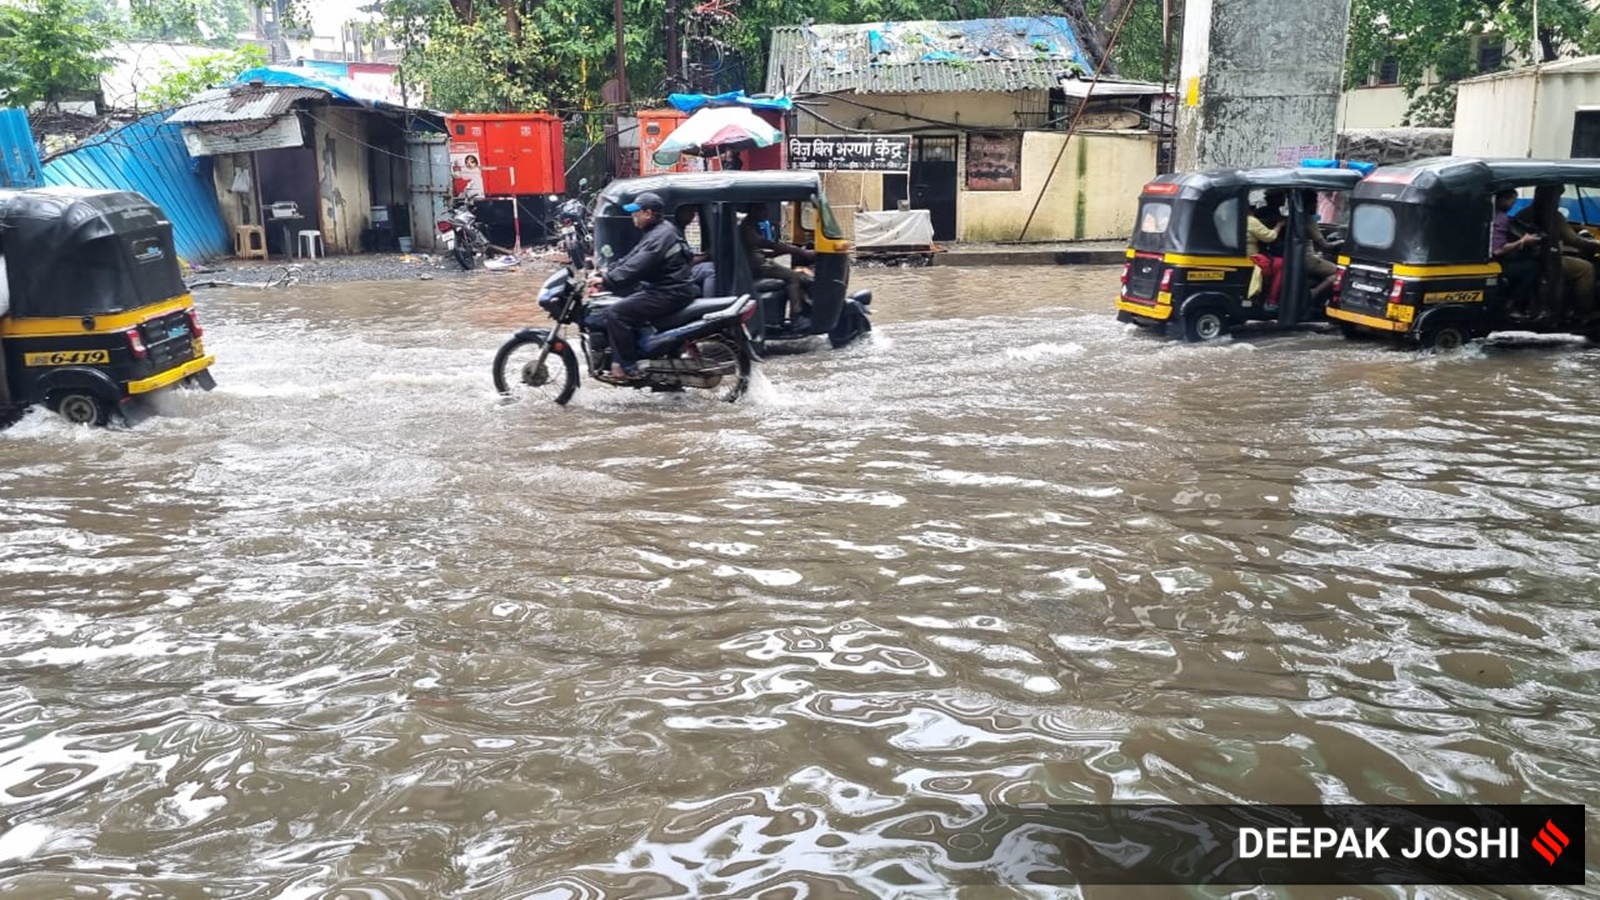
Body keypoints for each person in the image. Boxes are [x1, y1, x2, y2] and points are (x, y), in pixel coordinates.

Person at [586, 192, 698, 380]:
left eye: (636, 212)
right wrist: (605, 272)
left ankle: (628, 367)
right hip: (665, 288)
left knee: (617, 313)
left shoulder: (660, 235)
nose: (633, 216)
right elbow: (631, 258)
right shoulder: (657, 232)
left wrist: (607, 281)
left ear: (648, 213)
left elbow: (638, 265)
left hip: (669, 291)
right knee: (622, 301)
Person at [1514, 185, 1600, 321]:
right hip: (1547, 261)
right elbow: (1573, 240)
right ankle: (1584, 311)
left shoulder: (1524, 213)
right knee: (1586, 269)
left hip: (1530, 258)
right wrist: (1595, 244)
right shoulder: (1553, 216)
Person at [738, 203, 816, 323]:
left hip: (758, 264)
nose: (766, 213)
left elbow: (756, 251)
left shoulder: (751, 226)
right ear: (753, 211)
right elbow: (769, 244)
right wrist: (802, 252)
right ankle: (796, 316)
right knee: (794, 276)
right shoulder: (747, 228)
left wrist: (781, 252)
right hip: (760, 267)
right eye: (762, 209)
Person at [1490, 188, 1540, 304]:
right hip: (1496, 263)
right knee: (1533, 266)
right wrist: (1523, 241)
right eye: (1512, 202)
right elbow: (1498, 250)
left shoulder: (1488, 213)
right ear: (1502, 199)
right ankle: (1514, 303)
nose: (1512, 206)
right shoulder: (1500, 217)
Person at [1297, 190, 1342, 301]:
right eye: (1315, 203)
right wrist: (1341, 242)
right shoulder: (1308, 220)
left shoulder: (1297, 217)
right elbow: (1324, 246)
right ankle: (1314, 293)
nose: (1316, 206)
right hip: (1308, 260)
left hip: (1299, 257)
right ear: (1309, 204)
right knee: (1338, 273)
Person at [1246, 207, 1285, 307]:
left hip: (1243, 256)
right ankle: (1272, 301)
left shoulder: (1233, 219)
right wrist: (1279, 225)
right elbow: (1269, 236)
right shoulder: (1251, 221)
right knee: (1281, 264)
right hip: (1251, 257)